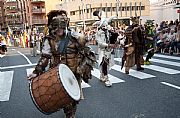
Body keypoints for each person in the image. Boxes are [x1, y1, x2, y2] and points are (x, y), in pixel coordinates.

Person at [27, 10, 96, 118]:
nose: (59, 30)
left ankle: (70, 114)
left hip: (74, 73)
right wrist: (36, 71)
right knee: (62, 97)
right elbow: (45, 57)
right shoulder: (49, 40)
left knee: (72, 100)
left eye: (62, 25)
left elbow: (90, 55)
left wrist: (81, 68)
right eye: (56, 26)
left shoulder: (76, 38)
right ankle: (68, 113)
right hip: (56, 74)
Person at [93, 10, 117, 87]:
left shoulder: (108, 31)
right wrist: (108, 45)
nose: (105, 27)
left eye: (106, 25)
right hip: (103, 50)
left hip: (109, 50)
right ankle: (106, 78)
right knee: (104, 62)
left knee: (107, 63)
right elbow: (100, 43)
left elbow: (114, 37)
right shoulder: (98, 33)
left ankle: (102, 75)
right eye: (104, 25)